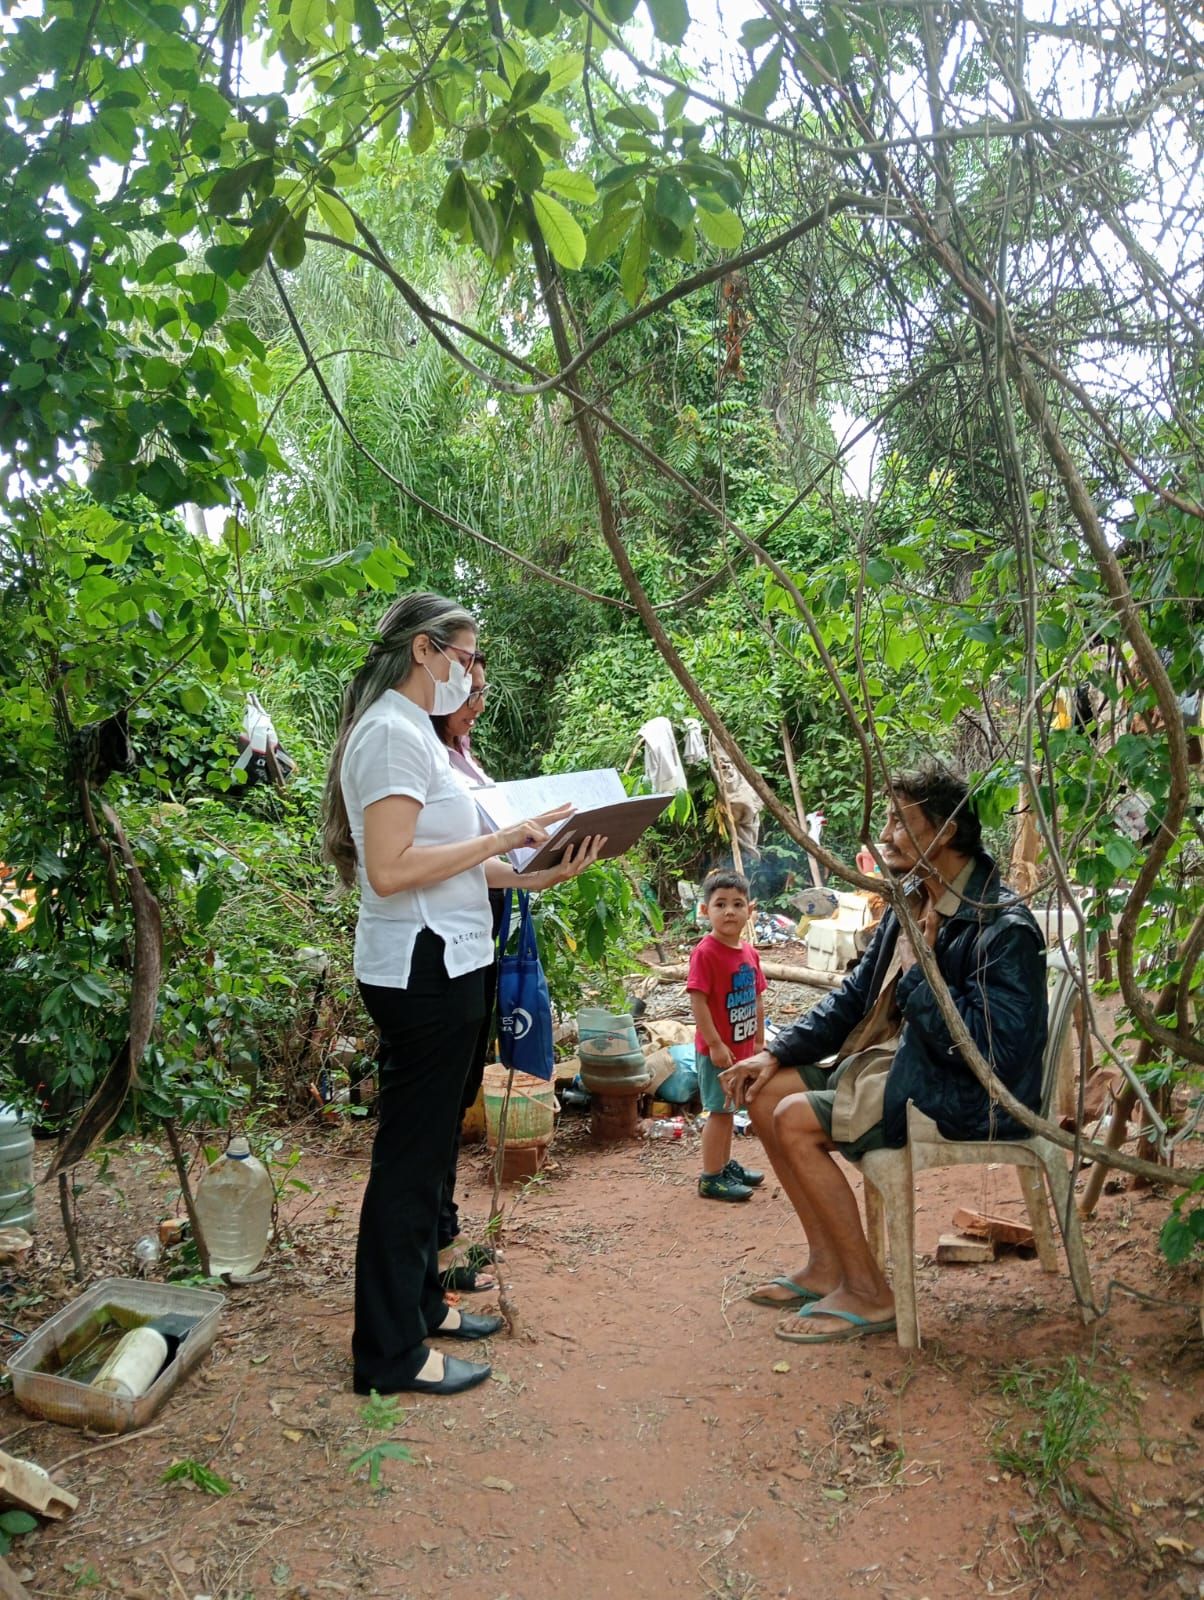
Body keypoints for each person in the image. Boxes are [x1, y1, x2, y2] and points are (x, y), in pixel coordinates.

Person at [321, 593, 600, 1396]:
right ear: (424, 650)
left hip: (454, 959)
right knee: (409, 1162)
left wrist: (529, 871)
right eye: (467, 659)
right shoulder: (387, 735)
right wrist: (505, 834)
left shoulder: (417, 737)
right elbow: (392, 867)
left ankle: (422, 1308)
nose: (473, 675)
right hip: (419, 970)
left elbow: (447, 857)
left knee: (436, 1152)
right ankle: (387, 1354)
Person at [722, 764, 1047, 1345]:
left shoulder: (1001, 924)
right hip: (910, 1065)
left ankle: (872, 1295)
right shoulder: (918, 898)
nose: (888, 833)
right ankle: (828, 1266)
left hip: (970, 1095)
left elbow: (996, 1054)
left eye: (903, 820)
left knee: (792, 1121)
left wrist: (925, 968)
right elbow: (854, 999)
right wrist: (774, 1053)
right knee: (766, 1088)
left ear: (944, 832)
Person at [430, 656, 600, 1289]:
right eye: (466, 693)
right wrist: (515, 853)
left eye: (482, 693)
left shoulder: (462, 758)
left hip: (478, 940)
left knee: (458, 1094)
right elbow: (436, 864)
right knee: (437, 1111)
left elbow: (479, 864)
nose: (476, 704)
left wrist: (541, 870)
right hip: (439, 953)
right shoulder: (425, 762)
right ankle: (435, 1251)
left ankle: (443, 1240)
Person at [687, 869, 767, 1201]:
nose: (730, 911)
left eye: (737, 904)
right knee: (719, 1113)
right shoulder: (706, 952)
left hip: (742, 1050)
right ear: (705, 911)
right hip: (718, 1053)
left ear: (751, 910)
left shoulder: (749, 953)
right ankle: (711, 1177)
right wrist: (716, 1044)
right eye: (720, 904)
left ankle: (724, 1165)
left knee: (729, 1111)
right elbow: (698, 1001)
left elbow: (758, 997)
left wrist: (760, 1042)